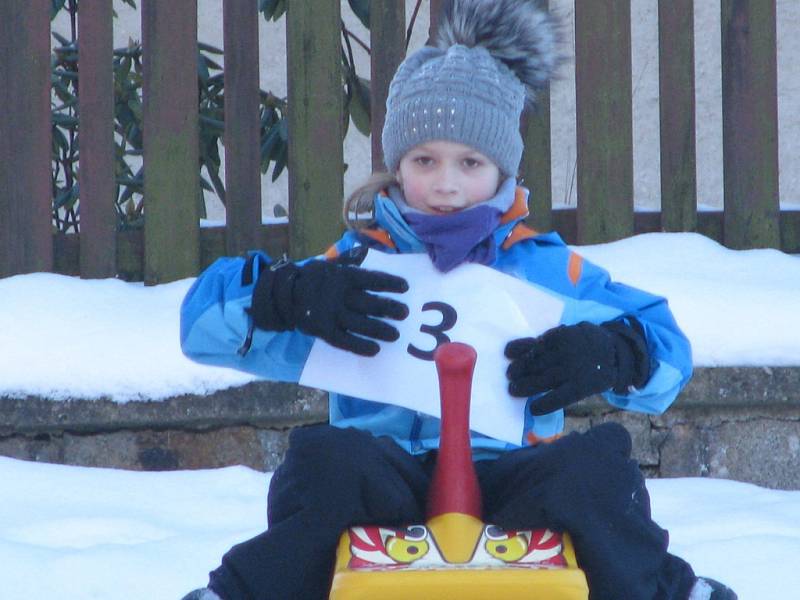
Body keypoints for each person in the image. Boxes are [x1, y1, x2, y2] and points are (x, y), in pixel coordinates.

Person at [179, 1, 736, 599]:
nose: (446, 184)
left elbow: (669, 353)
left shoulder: (546, 270)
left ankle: (664, 590)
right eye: (425, 161)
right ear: (397, 165)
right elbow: (201, 330)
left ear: (502, 169)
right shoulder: (358, 266)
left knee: (595, 470)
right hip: (383, 478)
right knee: (324, 464)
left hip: (513, 476)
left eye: (470, 162)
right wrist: (282, 298)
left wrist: (616, 352)